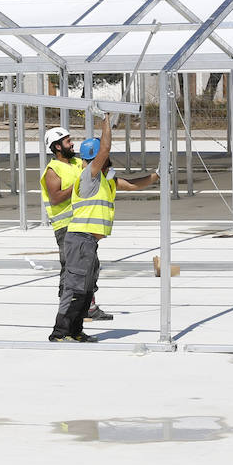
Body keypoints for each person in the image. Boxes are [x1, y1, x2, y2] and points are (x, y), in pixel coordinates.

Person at [49, 114, 159, 343]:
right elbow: (105, 149)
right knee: (76, 288)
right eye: (102, 155)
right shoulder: (89, 176)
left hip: (88, 241)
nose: (108, 158)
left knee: (87, 289)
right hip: (80, 239)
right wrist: (107, 121)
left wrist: (157, 175)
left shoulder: (105, 179)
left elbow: (132, 185)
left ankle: (75, 331)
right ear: (95, 157)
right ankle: (61, 332)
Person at [40, 126, 112, 321]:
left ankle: (88, 306)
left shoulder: (78, 162)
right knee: (71, 269)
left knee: (90, 265)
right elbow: (55, 198)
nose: (72, 144)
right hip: (65, 227)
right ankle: (67, 311)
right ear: (57, 147)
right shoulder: (53, 170)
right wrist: (79, 187)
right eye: (67, 141)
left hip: (82, 224)